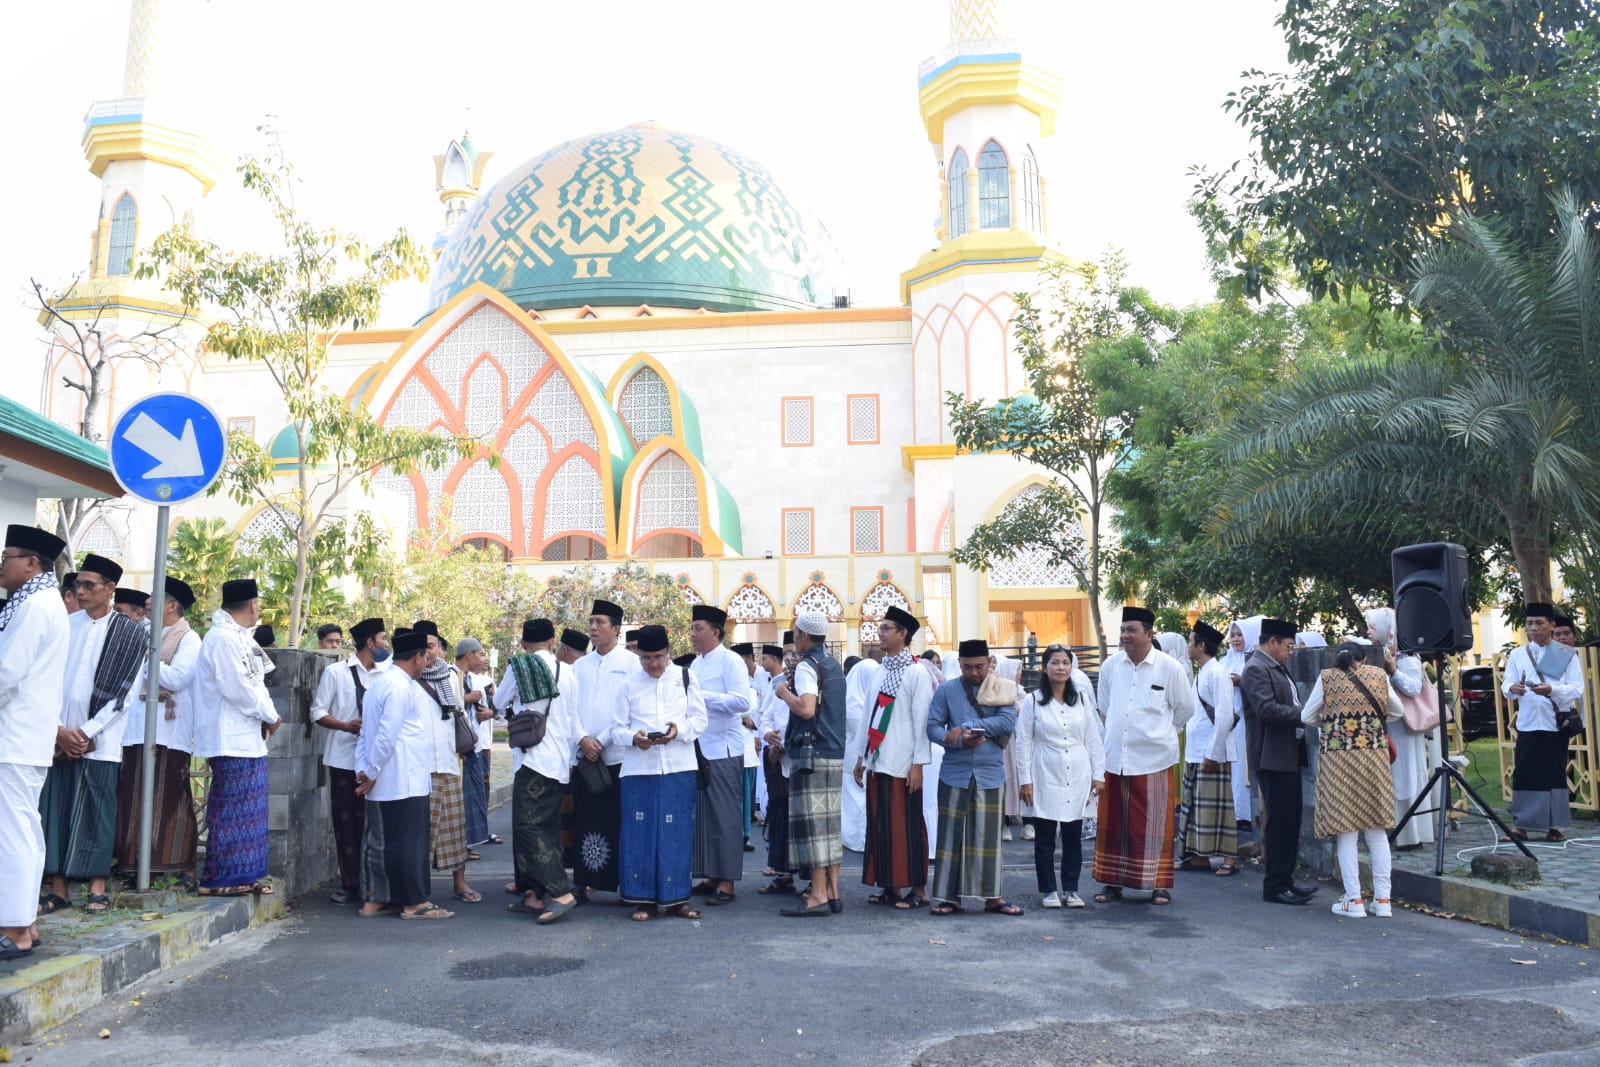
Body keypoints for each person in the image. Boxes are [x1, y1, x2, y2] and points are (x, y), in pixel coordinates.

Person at [39, 553, 148, 915]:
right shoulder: (68, 625)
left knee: (97, 812)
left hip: (100, 741)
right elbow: (48, 681)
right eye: (78, 586)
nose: (81, 592)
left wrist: (84, 733)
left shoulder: (131, 633)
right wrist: (59, 731)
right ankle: (58, 888)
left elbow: (125, 695)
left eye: (89, 585)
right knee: (56, 808)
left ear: (110, 589)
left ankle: (97, 887)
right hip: (58, 737)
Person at [1091, 607, 1194, 906]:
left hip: (1155, 759)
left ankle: (1158, 885)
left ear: (1149, 634)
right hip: (1116, 758)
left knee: (1155, 823)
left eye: (1131, 630)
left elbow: (1184, 709)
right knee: (1115, 824)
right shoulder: (1111, 667)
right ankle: (1112, 883)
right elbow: (1106, 707)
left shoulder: (1169, 668)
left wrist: (1162, 734)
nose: (1125, 636)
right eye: (1122, 630)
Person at [0, 525, 69, 960]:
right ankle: (24, 921)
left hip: (15, 738)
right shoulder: (36, 602)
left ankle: (16, 929)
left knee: (13, 834)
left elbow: (7, 674)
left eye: (6, 557)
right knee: (21, 831)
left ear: (31, 563)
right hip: (22, 737)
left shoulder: (35, 607)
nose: (1, 566)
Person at [611, 625, 706, 921]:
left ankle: (678, 899)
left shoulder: (686, 678)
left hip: (679, 768)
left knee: (677, 833)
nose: (653, 664)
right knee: (640, 833)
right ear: (637, 655)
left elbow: (700, 720)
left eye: (659, 657)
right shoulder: (628, 684)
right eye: (646, 658)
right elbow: (616, 729)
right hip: (639, 770)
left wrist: (678, 732)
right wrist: (634, 739)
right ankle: (644, 900)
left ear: (669, 653)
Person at [114, 576, 203, 891]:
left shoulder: (188, 640)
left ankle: (185, 868)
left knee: (170, 802)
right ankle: (140, 867)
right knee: (133, 799)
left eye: (155, 598)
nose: (148, 602)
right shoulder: (143, 634)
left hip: (169, 731)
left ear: (172, 605)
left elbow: (177, 678)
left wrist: (145, 658)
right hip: (135, 730)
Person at [355, 628, 451, 919]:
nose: (429, 662)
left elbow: (365, 733)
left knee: (380, 841)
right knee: (409, 843)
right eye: (426, 656)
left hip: (382, 777)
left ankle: (375, 900)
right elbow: (386, 735)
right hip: (402, 779)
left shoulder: (379, 683)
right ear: (418, 657)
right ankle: (414, 903)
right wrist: (369, 771)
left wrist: (364, 767)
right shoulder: (399, 687)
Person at [192, 578, 280, 897]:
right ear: (253, 605)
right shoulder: (222, 639)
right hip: (228, 736)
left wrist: (270, 715)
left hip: (247, 737)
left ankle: (246, 873)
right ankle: (218, 879)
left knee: (251, 809)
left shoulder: (241, 637)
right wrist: (270, 716)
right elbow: (238, 688)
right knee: (231, 809)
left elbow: (258, 682)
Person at [1302, 641, 1401, 918]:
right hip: (1373, 756)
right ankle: (1383, 900)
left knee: (1346, 829)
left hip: (1339, 759)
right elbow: (1398, 711)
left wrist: (1333, 721)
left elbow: (1307, 716)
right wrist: (1370, 720)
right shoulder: (1379, 675)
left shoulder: (1327, 678)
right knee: (1376, 829)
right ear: (1365, 657)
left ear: (1337, 659)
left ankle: (1354, 900)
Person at [925, 638, 1021, 917]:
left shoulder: (1002, 687)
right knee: (950, 837)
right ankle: (949, 898)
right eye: (967, 667)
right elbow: (932, 727)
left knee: (989, 838)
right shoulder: (946, 690)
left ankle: (993, 898)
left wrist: (965, 726)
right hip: (954, 772)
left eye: (979, 666)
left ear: (990, 662)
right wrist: (956, 741)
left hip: (990, 772)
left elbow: (1007, 722)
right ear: (959, 665)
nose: (974, 673)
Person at [501, 620, 584, 924]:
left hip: (533, 760)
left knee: (527, 828)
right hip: (559, 762)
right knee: (546, 827)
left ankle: (560, 892)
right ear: (552, 641)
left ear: (524, 643)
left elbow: (499, 703)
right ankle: (534, 896)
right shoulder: (569, 672)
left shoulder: (519, 667)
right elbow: (575, 720)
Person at [853, 606, 933, 910]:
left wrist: (917, 765)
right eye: (881, 628)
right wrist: (862, 756)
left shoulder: (916, 672)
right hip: (877, 759)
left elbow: (921, 722)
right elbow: (868, 717)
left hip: (903, 763)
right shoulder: (880, 670)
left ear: (903, 633)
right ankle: (890, 886)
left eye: (886, 628)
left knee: (907, 825)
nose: (880, 633)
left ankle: (919, 889)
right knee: (882, 824)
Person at [1016, 644, 1104, 909]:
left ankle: (1072, 888)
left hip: (1078, 770)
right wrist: (1025, 779)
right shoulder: (1033, 701)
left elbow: (1093, 738)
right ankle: (1048, 889)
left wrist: (1098, 774)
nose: (1061, 668)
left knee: (1072, 834)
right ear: (1045, 667)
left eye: (1065, 663)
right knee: (1045, 837)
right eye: (1055, 663)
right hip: (1045, 769)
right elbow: (1023, 742)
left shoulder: (1082, 699)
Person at [310, 616, 388, 904]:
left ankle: (373, 884)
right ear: (369, 642)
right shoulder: (336, 673)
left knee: (374, 823)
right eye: (382, 639)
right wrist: (345, 726)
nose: (385, 645)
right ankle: (350, 883)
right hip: (343, 759)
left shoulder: (386, 674)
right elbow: (317, 712)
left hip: (375, 761)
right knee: (346, 824)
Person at [776, 612, 849, 917]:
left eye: (795, 633)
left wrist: (783, 694)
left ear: (804, 635)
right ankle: (832, 892)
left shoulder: (808, 665)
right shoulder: (833, 665)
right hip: (833, 752)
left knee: (815, 827)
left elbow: (806, 709)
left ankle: (817, 894)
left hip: (812, 754)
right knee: (831, 825)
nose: (794, 638)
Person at [1241, 617, 1317, 905]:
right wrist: (1305, 715)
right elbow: (1266, 709)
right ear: (1271, 642)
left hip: (1287, 752)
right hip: (1270, 755)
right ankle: (1274, 885)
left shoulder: (1275, 666)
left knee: (1290, 820)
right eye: (1287, 646)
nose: (1289, 651)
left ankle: (1286, 879)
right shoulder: (1256, 669)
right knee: (1279, 822)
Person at [569, 600, 638, 902]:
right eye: (591, 622)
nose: (593, 628)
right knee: (586, 820)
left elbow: (630, 711)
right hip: (586, 758)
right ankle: (586, 881)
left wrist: (603, 740)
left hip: (618, 758)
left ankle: (624, 883)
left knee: (619, 822)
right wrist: (583, 738)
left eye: (600, 622)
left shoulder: (631, 664)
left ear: (617, 628)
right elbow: (570, 709)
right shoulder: (580, 665)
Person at [1501, 602, 1584, 841]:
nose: (1534, 628)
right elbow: (1506, 685)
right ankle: (1521, 826)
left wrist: (1551, 689)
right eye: (1530, 624)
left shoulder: (1565, 653)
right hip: (1528, 722)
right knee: (1525, 773)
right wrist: (1513, 688)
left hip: (1554, 723)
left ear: (1552, 625)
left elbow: (1576, 688)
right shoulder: (1518, 654)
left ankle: (1554, 826)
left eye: (1539, 623)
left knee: (1554, 773)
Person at [688, 605, 751, 905]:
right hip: (700, 750)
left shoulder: (731, 661)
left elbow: (741, 702)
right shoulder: (697, 665)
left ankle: (727, 882)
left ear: (715, 632)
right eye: (692, 629)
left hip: (724, 750)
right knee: (705, 817)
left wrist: (703, 697)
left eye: (698, 629)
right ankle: (712, 874)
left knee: (724, 816)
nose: (693, 635)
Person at [413, 621, 478, 903]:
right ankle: (418, 889)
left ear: (441, 648)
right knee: (420, 833)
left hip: (449, 763)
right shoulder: (407, 679)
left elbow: (458, 715)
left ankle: (460, 883)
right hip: (418, 766)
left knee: (454, 828)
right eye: (423, 647)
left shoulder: (453, 677)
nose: (429, 653)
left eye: (432, 646)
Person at [1366, 607, 1433, 849]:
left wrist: (1392, 671)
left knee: (1406, 774)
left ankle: (1409, 834)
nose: (1369, 633)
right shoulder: (1386, 654)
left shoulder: (1406, 658)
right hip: (1391, 725)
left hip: (1404, 726)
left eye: (1373, 627)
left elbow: (1413, 689)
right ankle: (1395, 828)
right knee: (1394, 774)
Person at [1178, 621, 1240, 877]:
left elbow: (1225, 717)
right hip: (1197, 751)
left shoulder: (1217, 674)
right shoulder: (1203, 672)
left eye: (1191, 641)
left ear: (1201, 646)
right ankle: (1199, 857)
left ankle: (1230, 858)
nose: (1188, 646)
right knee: (1197, 807)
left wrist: (1212, 753)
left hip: (1211, 753)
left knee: (1219, 807)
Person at [755, 644, 794, 894]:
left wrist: (785, 744)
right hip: (776, 760)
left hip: (799, 762)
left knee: (802, 823)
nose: (792, 658)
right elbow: (765, 716)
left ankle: (814, 881)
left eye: (797, 653)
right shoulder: (777, 684)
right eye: (789, 653)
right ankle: (783, 875)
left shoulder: (814, 683)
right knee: (779, 817)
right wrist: (769, 735)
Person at [1222, 616, 1263, 831]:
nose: (1236, 639)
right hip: (1229, 721)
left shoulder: (1254, 660)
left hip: (1247, 721)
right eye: (1233, 635)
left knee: (1244, 767)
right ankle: (1236, 813)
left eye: (1240, 635)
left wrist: (1242, 681)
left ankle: (1247, 814)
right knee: (1234, 767)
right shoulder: (1226, 659)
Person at [455, 637, 496, 850]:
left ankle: (469, 844)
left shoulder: (474, 678)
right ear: (468, 654)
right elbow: (445, 708)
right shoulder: (453, 676)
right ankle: (462, 847)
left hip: (475, 746)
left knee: (476, 799)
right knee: (463, 801)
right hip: (461, 750)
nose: (484, 658)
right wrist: (466, 699)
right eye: (480, 654)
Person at [842, 650, 880, 853]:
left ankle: (853, 837)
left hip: (851, 756)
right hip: (859, 757)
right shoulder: (859, 707)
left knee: (853, 797)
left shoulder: (851, 701)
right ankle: (860, 840)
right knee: (860, 797)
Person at [732, 642, 762, 854]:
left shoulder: (750, 691)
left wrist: (743, 717)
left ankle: (744, 835)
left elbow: (748, 709)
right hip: (730, 750)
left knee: (744, 796)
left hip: (747, 751)